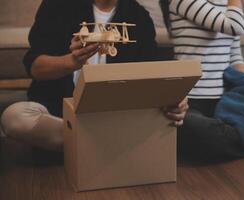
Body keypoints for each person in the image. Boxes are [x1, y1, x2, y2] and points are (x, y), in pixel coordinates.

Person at [0, 0, 188, 151]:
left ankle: (88, 147)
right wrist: (71, 62)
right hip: (60, 115)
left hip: (114, 117)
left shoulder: (138, 16)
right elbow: (35, 67)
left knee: (183, 123)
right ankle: (111, 146)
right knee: (15, 118)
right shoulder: (57, 5)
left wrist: (174, 98)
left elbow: (151, 74)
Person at [160, 0, 244, 159]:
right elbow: (235, 26)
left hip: (226, 99)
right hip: (191, 102)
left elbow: (235, 55)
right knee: (192, 129)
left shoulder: (226, 5)